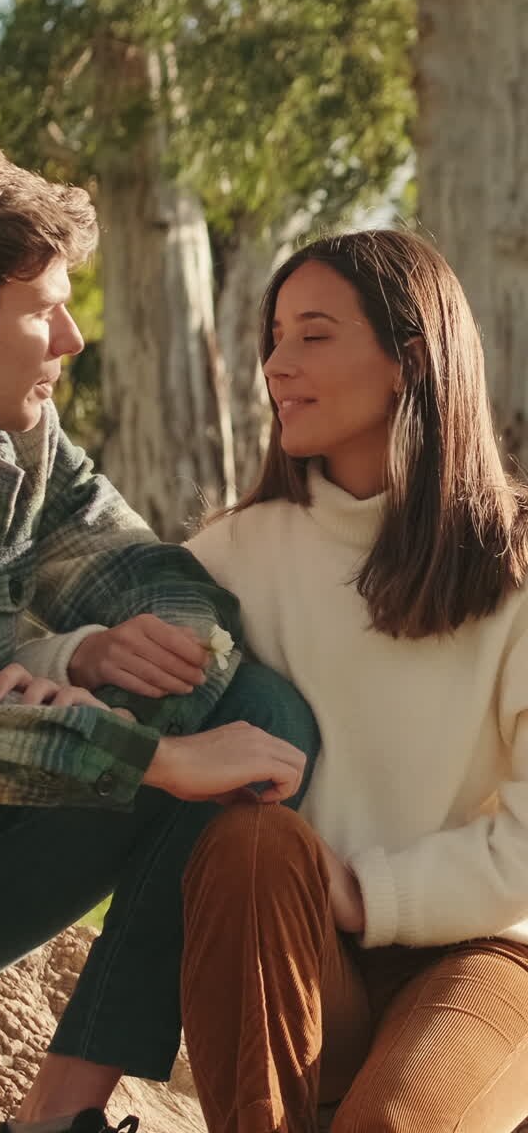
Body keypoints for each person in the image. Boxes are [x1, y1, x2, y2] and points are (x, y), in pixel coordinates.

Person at [0, 131, 320, 1133]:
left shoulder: (15, 440)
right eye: (45, 310)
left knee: (257, 708)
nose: (73, 340)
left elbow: (171, 587)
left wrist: (113, 663)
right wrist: (151, 753)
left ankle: (58, 1118)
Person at [178, 229, 528, 1133]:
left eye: (315, 335)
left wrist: (370, 892)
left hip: (483, 957)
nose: (276, 365)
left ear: (410, 361)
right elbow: (92, 644)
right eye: (275, 336)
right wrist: (67, 664)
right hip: (304, 963)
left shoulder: (514, 568)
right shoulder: (233, 558)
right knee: (251, 846)